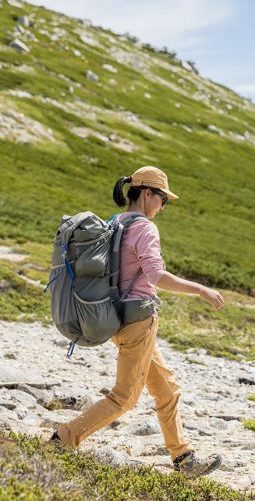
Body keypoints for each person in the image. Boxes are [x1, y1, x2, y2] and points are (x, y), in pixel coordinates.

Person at [50, 166, 224, 477]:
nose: (163, 206)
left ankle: (183, 458)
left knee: (167, 390)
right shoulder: (144, 228)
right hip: (139, 320)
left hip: (118, 316)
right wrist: (201, 289)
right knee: (124, 398)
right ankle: (62, 440)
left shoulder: (116, 222)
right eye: (162, 199)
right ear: (147, 194)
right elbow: (156, 276)